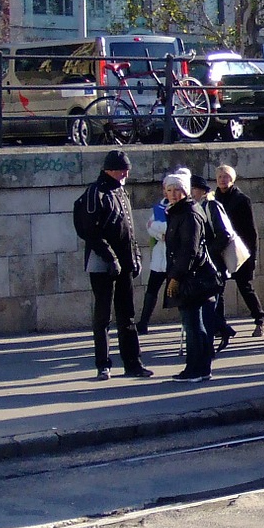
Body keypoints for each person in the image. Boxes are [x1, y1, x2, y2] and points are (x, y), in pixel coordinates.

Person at [75, 149, 154, 380]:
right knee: (103, 316)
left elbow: (129, 230)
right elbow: (90, 232)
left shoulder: (120, 191)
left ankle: (133, 363)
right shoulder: (95, 193)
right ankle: (103, 364)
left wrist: (135, 256)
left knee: (126, 315)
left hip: (123, 262)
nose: (126, 173)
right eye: (122, 169)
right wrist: (111, 258)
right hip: (102, 263)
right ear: (109, 170)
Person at [163, 169, 214, 381]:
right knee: (195, 323)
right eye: (169, 190)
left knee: (192, 324)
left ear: (185, 191)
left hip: (191, 277)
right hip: (192, 275)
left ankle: (196, 368)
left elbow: (189, 250)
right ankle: (201, 368)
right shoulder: (180, 211)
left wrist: (176, 277)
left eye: (177, 190)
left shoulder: (189, 213)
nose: (173, 194)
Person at [214, 164, 264, 337]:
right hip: (220, 249)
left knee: (245, 286)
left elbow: (251, 231)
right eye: (220, 176)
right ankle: (219, 325)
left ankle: (260, 319)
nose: (222, 179)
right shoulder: (213, 200)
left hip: (239, 249)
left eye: (226, 176)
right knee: (217, 287)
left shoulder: (241, 199)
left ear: (233, 179)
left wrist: (252, 256)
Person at [190, 173, 234, 352]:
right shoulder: (197, 207)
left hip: (213, 264)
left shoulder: (211, 206)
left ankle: (220, 332)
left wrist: (207, 251)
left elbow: (224, 234)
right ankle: (222, 330)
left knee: (211, 305)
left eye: (193, 189)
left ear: (201, 191)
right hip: (206, 264)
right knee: (210, 304)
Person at [136, 178, 170, 334]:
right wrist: (160, 234)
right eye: (166, 189)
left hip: (174, 257)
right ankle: (143, 322)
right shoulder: (159, 207)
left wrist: (161, 231)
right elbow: (150, 227)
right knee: (151, 290)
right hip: (159, 257)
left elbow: (164, 227)